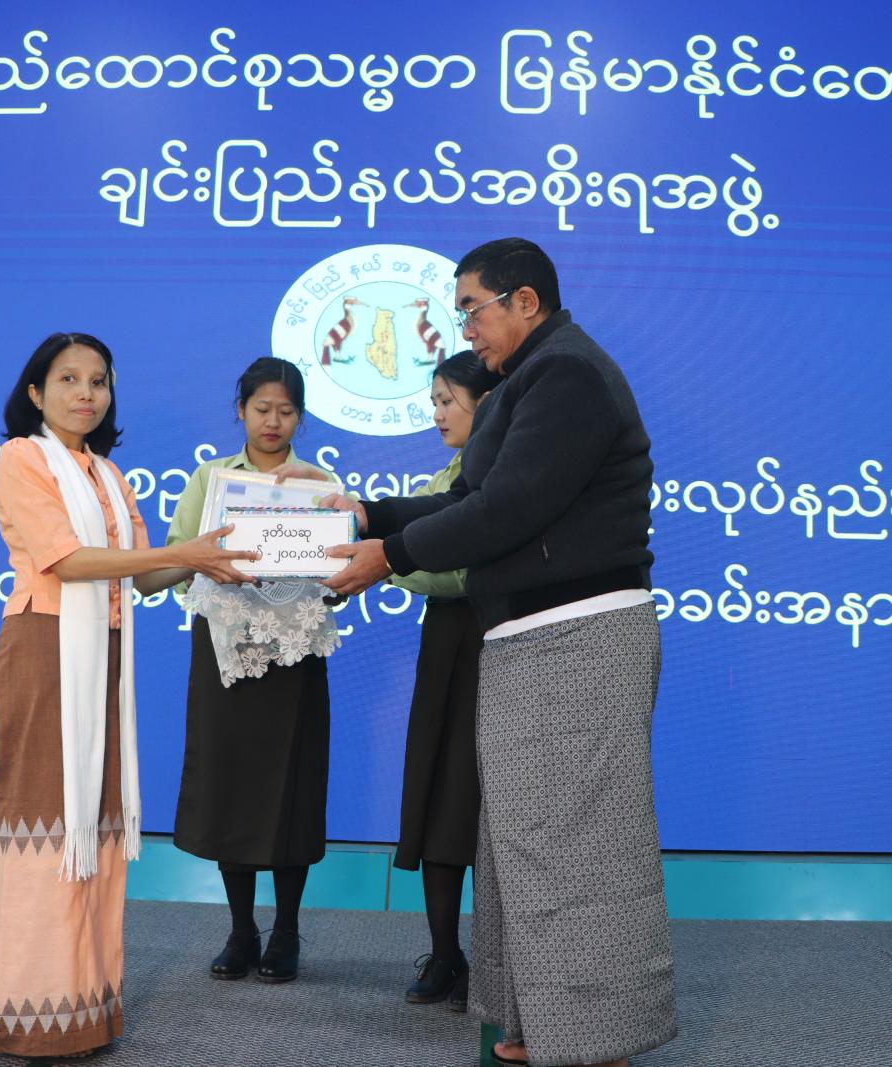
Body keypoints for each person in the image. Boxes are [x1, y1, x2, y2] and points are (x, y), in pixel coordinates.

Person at [322, 240, 677, 1067]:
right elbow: (469, 497)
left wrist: (389, 557)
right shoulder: (525, 380)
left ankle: (600, 1040)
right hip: (525, 637)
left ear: (524, 300)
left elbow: (509, 509)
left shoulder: (569, 374)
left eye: (471, 310)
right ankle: (541, 1021)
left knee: (583, 846)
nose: (465, 330)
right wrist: (376, 514)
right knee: (523, 840)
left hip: (581, 634)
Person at [0, 332, 256, 1060]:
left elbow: (141, 576)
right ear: (36, 392)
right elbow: (66, 560)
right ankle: (34, 1015)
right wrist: (182, 551)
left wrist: (210, 555)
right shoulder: (23, 458)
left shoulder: (107, 474)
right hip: (44, 648)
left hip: (100, 653)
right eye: (68, 379)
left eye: (99, 380)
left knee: (94, 827)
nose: (86, 393)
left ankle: (86, 1008)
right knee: (47, 825)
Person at [166, 356, 338, 984]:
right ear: (240, 410)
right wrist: (208, 565)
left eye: (286, 411)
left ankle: (286, 931)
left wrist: (323, 580)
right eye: (262, 409)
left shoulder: (320, 482)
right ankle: (241, 930)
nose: (273, 421)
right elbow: (176, 558)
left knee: (291, 787)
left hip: (294, 651)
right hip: (225, 649)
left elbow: (341, 569)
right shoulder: (211, 478)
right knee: (231, 784)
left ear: (300, 417)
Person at [389, 352, 502, 1012]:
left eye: (445, 400)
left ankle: (495, 963)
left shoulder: (501, 473)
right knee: (438, 799)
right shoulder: (442, 478)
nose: (435, 414)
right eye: (433, 401)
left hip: (493, 644)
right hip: (445, 647)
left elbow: (462, 569)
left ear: (486, 404)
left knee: (481, 806)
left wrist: (385, 563)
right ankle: (445, 954)